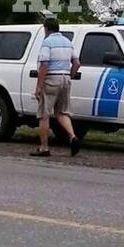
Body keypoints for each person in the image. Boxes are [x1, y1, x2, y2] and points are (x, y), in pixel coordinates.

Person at [30, 18, 81, 157]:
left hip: (51, 79)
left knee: (44, 115)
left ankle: (44, 148)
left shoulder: (47, 43)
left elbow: (44, 65)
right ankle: (72, 137)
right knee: (62, 113)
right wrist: (70, 75)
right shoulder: (67, 42)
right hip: (65, 78)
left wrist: (38, 87)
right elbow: (76, 63)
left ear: (47, 29)